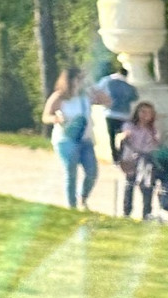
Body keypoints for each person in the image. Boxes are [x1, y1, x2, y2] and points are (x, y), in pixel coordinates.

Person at [42, 65, 98, 211]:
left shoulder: (85, 96)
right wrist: (56, 119)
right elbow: (46, 116)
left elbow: (107, 100)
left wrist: (93, 88)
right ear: (70, 80)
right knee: (71, 172)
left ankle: (83, 197)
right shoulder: (59, 97)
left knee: (92, 172)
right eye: (78, 79)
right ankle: (71, 206)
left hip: (85, 139)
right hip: (66, 140)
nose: (80, 82)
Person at [115, 100, 162, 221]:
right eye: (142, 112)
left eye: (148, 113)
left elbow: (155, 144)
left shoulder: (152, 129)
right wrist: (123, 137)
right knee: (129, 184)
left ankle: (146, 212)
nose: (145, 115)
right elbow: (121, 137)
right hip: (131, 158)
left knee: (147, 185)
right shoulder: (129, 126)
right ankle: (127, 211)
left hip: (146, 159)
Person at [95, 58, 138, 161]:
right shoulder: (129, 86)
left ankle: (115, 157)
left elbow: (97, 90)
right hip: (125, 114)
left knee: (112, 136)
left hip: (110, 113)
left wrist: (103, 101)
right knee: (124, 136)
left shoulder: (107, 80)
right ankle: (122, 154)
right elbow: (134, 97)